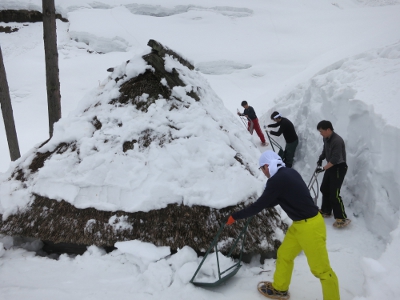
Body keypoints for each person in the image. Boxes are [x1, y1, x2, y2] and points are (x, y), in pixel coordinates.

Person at [226, 150, 340, 300]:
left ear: (266, 166)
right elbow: (275, 199)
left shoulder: (277, 180)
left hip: (310, 227)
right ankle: (280, 289)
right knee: (284, 255)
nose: (263, 173)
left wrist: (235, 216)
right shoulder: (288, 173)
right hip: (300, 225)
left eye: (262, 169)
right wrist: (258, 206)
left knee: (322, 270)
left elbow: (260, 204)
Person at [316, 120, 350, 228]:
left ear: (328, 130)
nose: (320, 133)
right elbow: (325, 151)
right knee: (324, 188)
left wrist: (323, 168)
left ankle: (341, 218)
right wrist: (321, 158)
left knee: (334, 194)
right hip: (331, 167)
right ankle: (326, 210)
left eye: (321, 131)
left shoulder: (337, 141)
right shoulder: (326, 138)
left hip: (339, 168)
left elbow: (335, 159)